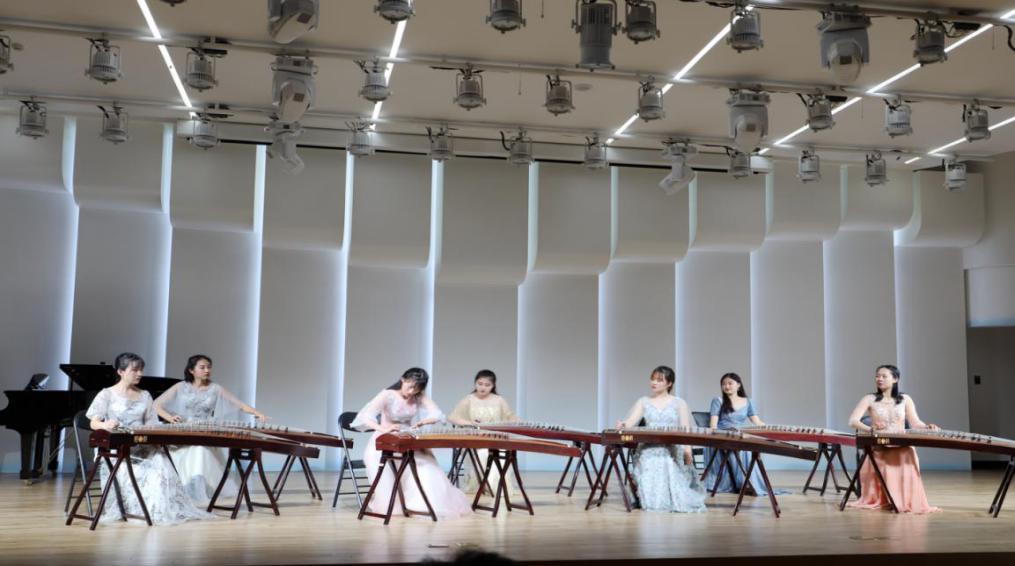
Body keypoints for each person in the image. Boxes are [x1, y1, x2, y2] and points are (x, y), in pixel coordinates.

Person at [85, 352, 213, 524]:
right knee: (142, 470)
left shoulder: (145, 395)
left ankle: (156, 511)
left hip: (143, 446)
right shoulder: (107, 394)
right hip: (118, 450)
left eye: (141, 370)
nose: (140, 374)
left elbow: (152, 424)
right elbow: (93, 423)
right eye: (135, 370)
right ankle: (141, 511)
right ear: (121, 372)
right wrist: (105, 425)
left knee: (161, 464)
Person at [351, 367, 472, 518]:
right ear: (403, 379)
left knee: (427, 466)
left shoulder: (418, 396)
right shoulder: (387, 395)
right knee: (390, 471)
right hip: (385, 439)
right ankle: (396, 505)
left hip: (408, 438)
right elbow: (365, 417)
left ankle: (424, 505)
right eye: (410, 386)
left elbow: (437, 414)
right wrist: (384, 428)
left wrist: (423, 422)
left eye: (417, 388)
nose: (412, 391)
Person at [154, 354, 268, 503]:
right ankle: (187, 486)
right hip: (185, 429)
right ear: (191, 370)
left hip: (205, 430)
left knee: (201, 449)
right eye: (202, 367)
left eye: (209, 367)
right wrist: (169, 418)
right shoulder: (180, 386)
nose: (207, 370)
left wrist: (257, 413)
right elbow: (156, 405)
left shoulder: (215, 388)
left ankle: (201, 488)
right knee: (194, 450)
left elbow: (239, 404)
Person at [846, 364, 940, 514]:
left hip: (901, 444)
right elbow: (853, 421)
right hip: (880, 445)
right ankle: (886, 499)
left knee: (908, 451)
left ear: (895, 379)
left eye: (884, 376)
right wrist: (871, 429)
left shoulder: (905, 399)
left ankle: (903, 500)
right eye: (877, 376)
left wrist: (927, 427)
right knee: (882, 453)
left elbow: (916, 423)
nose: (879, 379)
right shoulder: (869, 399)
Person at [616, 366, 706, 513]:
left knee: (666, 458)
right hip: (648, 446)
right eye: (652, 379)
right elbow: (631, 421)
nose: (654, 382)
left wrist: (688, 451)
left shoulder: (679, 403)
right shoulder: (644, 401)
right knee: (651, 458)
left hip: (671, 446)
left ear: (669, 383)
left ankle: (664, 499)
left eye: (659, 380)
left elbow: (686, 429)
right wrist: (623, 424)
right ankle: (651, 500)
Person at [701, 372, 775, 496]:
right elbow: (713, 425)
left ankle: (747, 483)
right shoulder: (718, 400)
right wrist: (719, 434)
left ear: (739, 385)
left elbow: (757, 422)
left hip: (739, 435)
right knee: (742, 446)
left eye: (730, 383)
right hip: (722, 435)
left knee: (749, 445)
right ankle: (739, 483)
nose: (726, 386)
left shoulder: (748, 401)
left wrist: (771, 428)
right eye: (724, 384)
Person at [447, 369, 518, 494]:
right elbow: (452, 417)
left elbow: (511, 417)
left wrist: (516, 423)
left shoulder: (499, 400)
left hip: (495, 438)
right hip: (475, 440)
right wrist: (470, 423)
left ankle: (496, 487)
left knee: (501, 454)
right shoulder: (469, 399)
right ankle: (485, 486)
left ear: (493, 386)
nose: (482, 387)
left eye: (487, 385)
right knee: (484, 453)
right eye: (480, 384)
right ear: (475, 383)